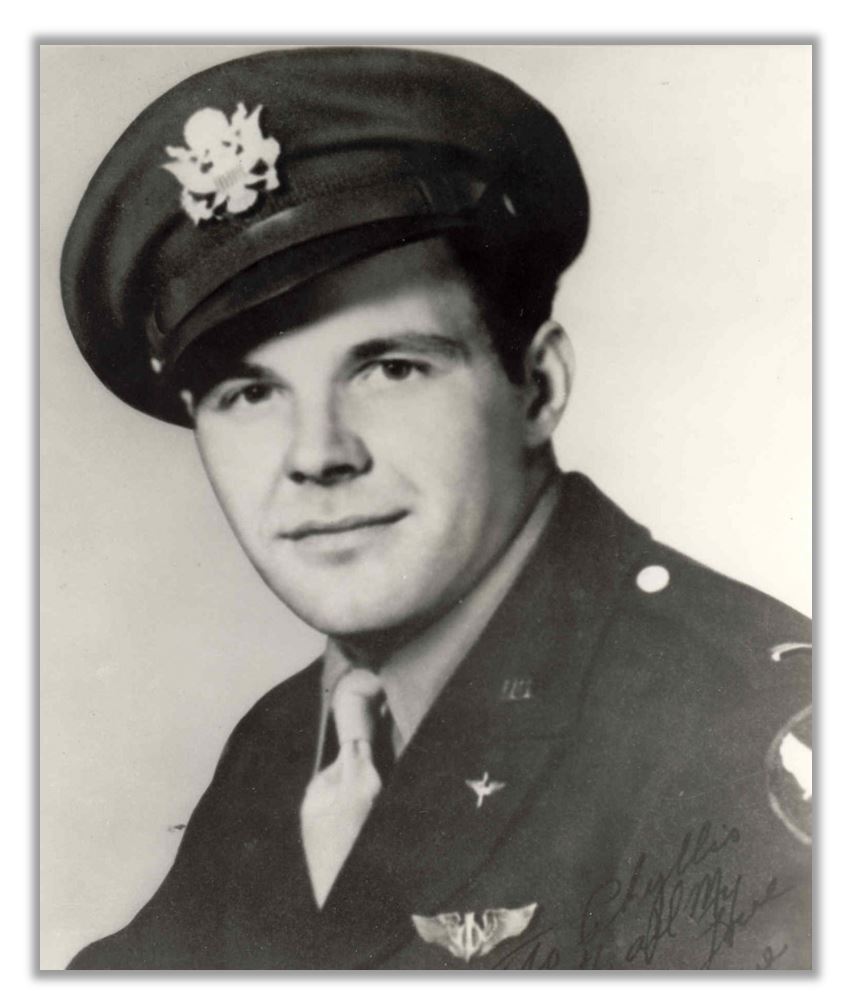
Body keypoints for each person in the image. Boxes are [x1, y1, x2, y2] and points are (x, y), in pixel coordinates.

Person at [59, 46, 811, 970]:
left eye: (390, 368)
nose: (317, 454)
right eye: (249, 393)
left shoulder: (747, 729)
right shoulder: (287, 744)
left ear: (538, 385)